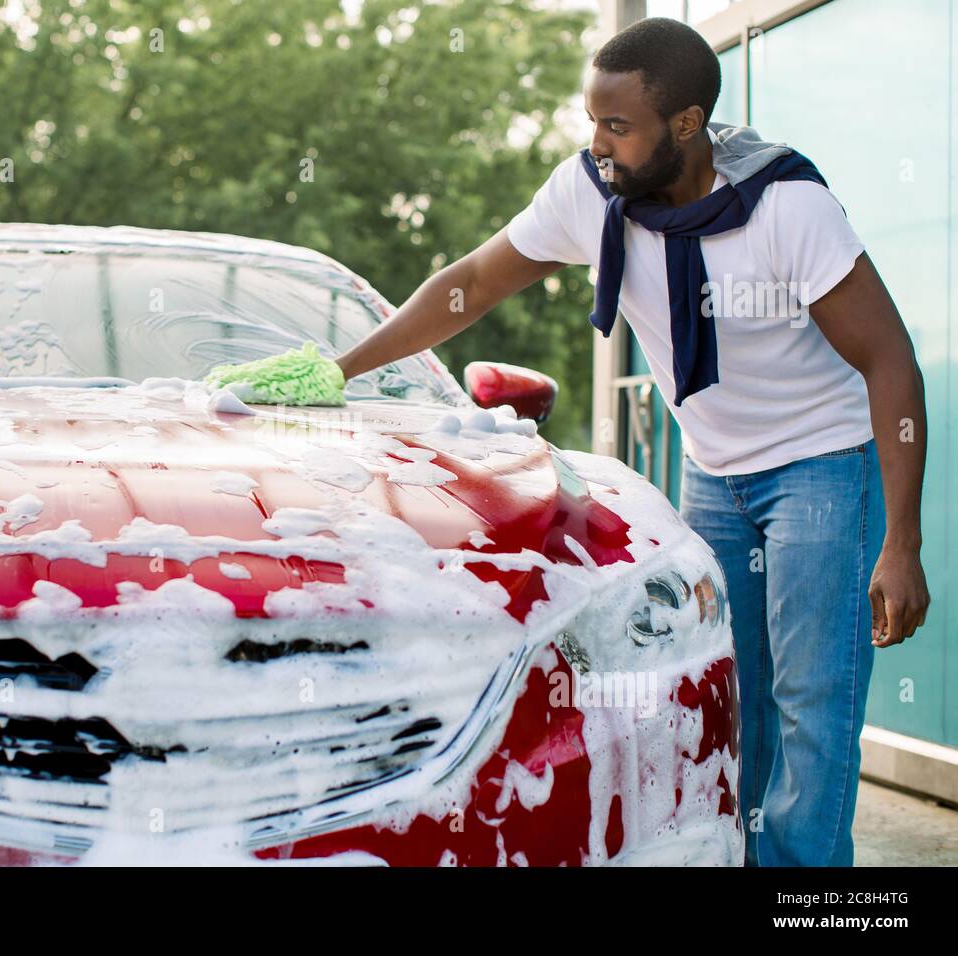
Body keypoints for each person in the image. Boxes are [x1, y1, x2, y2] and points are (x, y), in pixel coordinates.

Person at [332, 16, 930, 867]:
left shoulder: (786, 206)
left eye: (619, 126)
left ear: (686, 125)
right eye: (592, 123)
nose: (599, 144)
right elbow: (469, 285)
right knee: (731, 695)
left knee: (813, 701)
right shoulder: (591, 194)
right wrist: (343, 366)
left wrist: (900, 542)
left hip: (822, 468)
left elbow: (891, 364)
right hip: (715, 477)